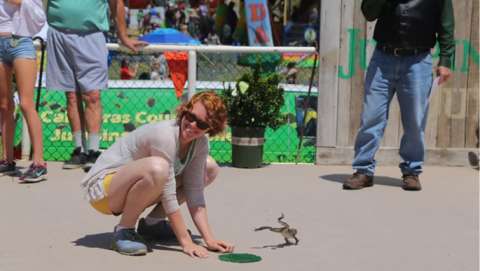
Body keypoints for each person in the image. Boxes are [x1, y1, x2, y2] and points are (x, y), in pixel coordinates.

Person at [81, 91, 234, 256]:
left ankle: (153, 224)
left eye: (202, 125)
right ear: (185, 110)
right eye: (190, 116)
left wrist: (209, 240)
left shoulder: (200, 144)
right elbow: (168, 194)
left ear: (211, 129)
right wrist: (186, 242)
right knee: (159, 168)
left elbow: (195, 193)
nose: (193, 125)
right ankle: (124, 230)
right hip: (104, 192)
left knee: (209, 168)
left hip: (128, 189)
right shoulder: (165, 135)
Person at [343, 0, 455, 191]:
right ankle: (363, 171)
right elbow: (369, 12)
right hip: (383, 59)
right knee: (371, 117)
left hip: (418, 61)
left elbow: (446, 26)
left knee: (415, 121)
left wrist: (446, 59)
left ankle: (411, 171)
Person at [45, 0, 147, 170]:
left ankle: (93, 151)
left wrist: (123, 36)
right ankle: (78, 151)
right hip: (58, 34)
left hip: (90, 35)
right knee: (71, 95)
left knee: (92, 96)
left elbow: (117, 3)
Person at [0, 0, 47, 182]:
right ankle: (8, 159)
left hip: (20, 41)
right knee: (4, 105)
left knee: (26, 103)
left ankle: (39, 163)